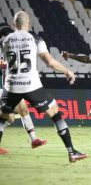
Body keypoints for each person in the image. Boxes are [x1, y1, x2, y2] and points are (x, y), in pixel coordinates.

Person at [0, 11, 86, 162]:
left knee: (2, 117)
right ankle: (72, 152)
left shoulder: (5, 40)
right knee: (55, 113)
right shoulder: (36, 39)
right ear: (30, 25)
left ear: (14, 25)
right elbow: (50, 63)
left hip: (12, 85)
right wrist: (67, 71)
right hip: (31, 85)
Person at [0, 24, 47, 155]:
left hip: (7, 87)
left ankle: (33, 140)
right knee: (12, 115)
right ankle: (33, 139)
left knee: (15, 116)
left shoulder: (11, 47)